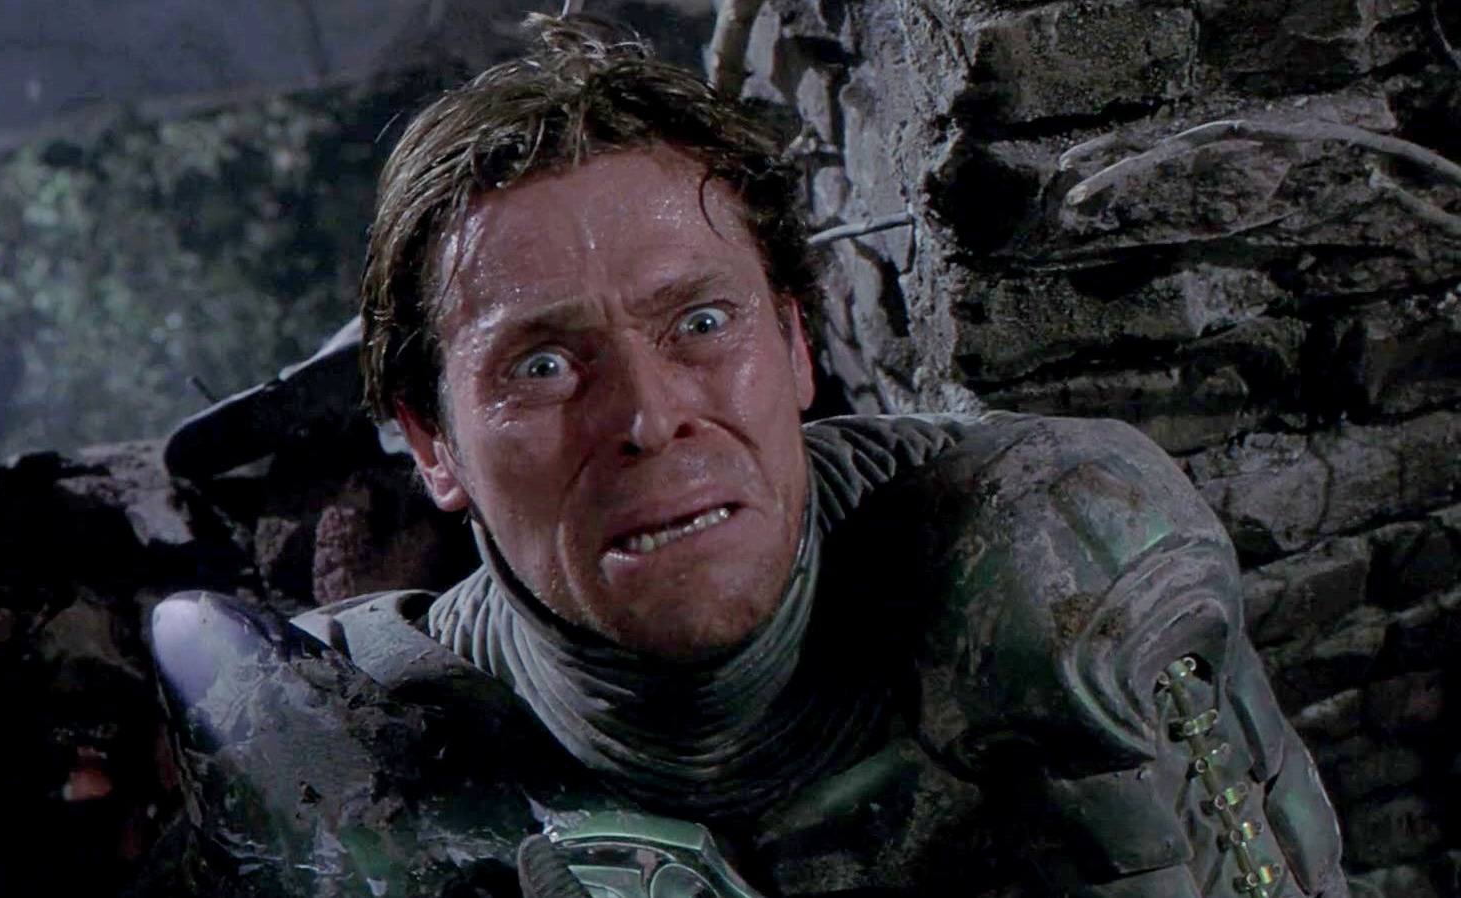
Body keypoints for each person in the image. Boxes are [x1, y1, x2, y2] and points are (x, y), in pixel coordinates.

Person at [151, 15, 1348, 898]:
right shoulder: (360, 733)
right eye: (542, 364)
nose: (647, 416)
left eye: (701, 323)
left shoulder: (1055, 562)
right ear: (433, 443)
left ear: (796, 345)